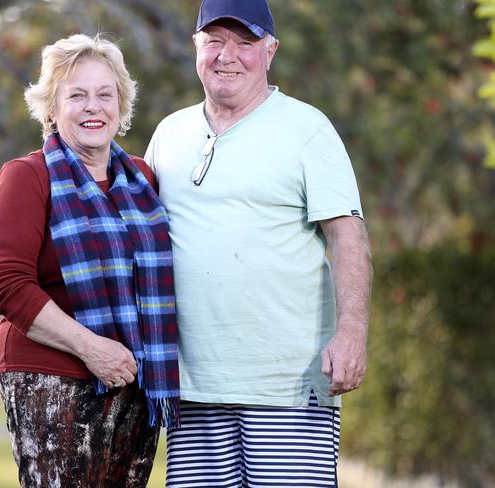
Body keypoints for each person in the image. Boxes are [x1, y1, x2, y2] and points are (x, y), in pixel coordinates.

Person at [144, 0, 373, 486]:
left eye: (244, 43)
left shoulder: (308, 130)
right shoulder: (169, 133)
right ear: (196, 48)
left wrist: (351, 332)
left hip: (287, 389)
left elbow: (347, 236)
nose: (228, 55)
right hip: (191, 389)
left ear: (270, 51)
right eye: (215, 41)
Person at [0, 33, 179, 487]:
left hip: (133, 382)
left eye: (105, 94)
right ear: (52, 108)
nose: (94, 107)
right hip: (53, 379)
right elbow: (5, 284)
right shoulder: (26, 177)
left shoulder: (143, 179)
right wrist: (92, 348)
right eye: (77, 95)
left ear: (121, 106)